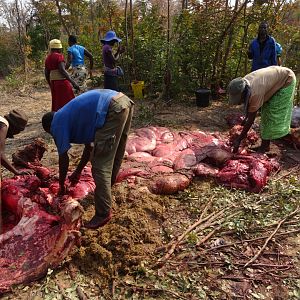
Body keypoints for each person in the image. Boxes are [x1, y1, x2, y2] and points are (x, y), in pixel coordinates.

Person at [42, 89, 134, 229]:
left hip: (112, 107)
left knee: (99, 165)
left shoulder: (57, 123)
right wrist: (77, 171)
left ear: (49, 128)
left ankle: (103, 213)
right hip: (123, 101)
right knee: (114, 154)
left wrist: (61, 184)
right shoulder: (71, 117)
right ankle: (107, 190)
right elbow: (89, 148)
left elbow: (63, 157)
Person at [228, 66, 296, 153]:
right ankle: (265, 145)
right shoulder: (243, 83)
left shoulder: (255, 93)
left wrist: (239, 139)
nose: (239, 101)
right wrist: (245, 119)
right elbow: (249, 109)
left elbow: (251, 119)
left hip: (286, 80)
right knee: (265, 113)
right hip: (276, 78)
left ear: (243, 92)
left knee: (271, 114)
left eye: (239, 98)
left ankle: (264, 148)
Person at [45, 39, 80, 112]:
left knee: (57, 102)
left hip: (54, 83)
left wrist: (50, 83)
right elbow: (62, 70)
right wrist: (73, 83)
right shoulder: (59, 56)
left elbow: (46, 73)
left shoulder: (48, 58)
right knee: (68, 101)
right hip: (62, 83)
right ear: (58, 48)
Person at [0, 110, 30, 175]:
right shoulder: (3, 126)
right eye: (18, 131)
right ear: (14, 128)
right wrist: (16, 171)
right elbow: (0, 154)